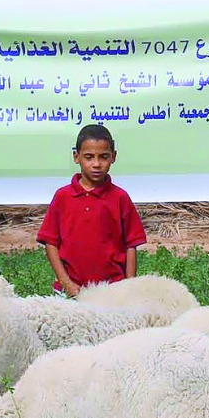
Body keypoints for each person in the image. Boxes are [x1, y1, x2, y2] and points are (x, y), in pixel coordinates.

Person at [38, 124, 147, 297]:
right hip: (71, 290)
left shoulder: (120, 198)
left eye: (103, 157)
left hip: (112, 290)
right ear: (76, 157)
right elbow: (51, 243)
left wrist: (129, 287)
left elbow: (131, 245)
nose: (96, 164)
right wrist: (66, 283)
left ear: (113, 157)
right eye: (89, 157)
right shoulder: (63, 197)